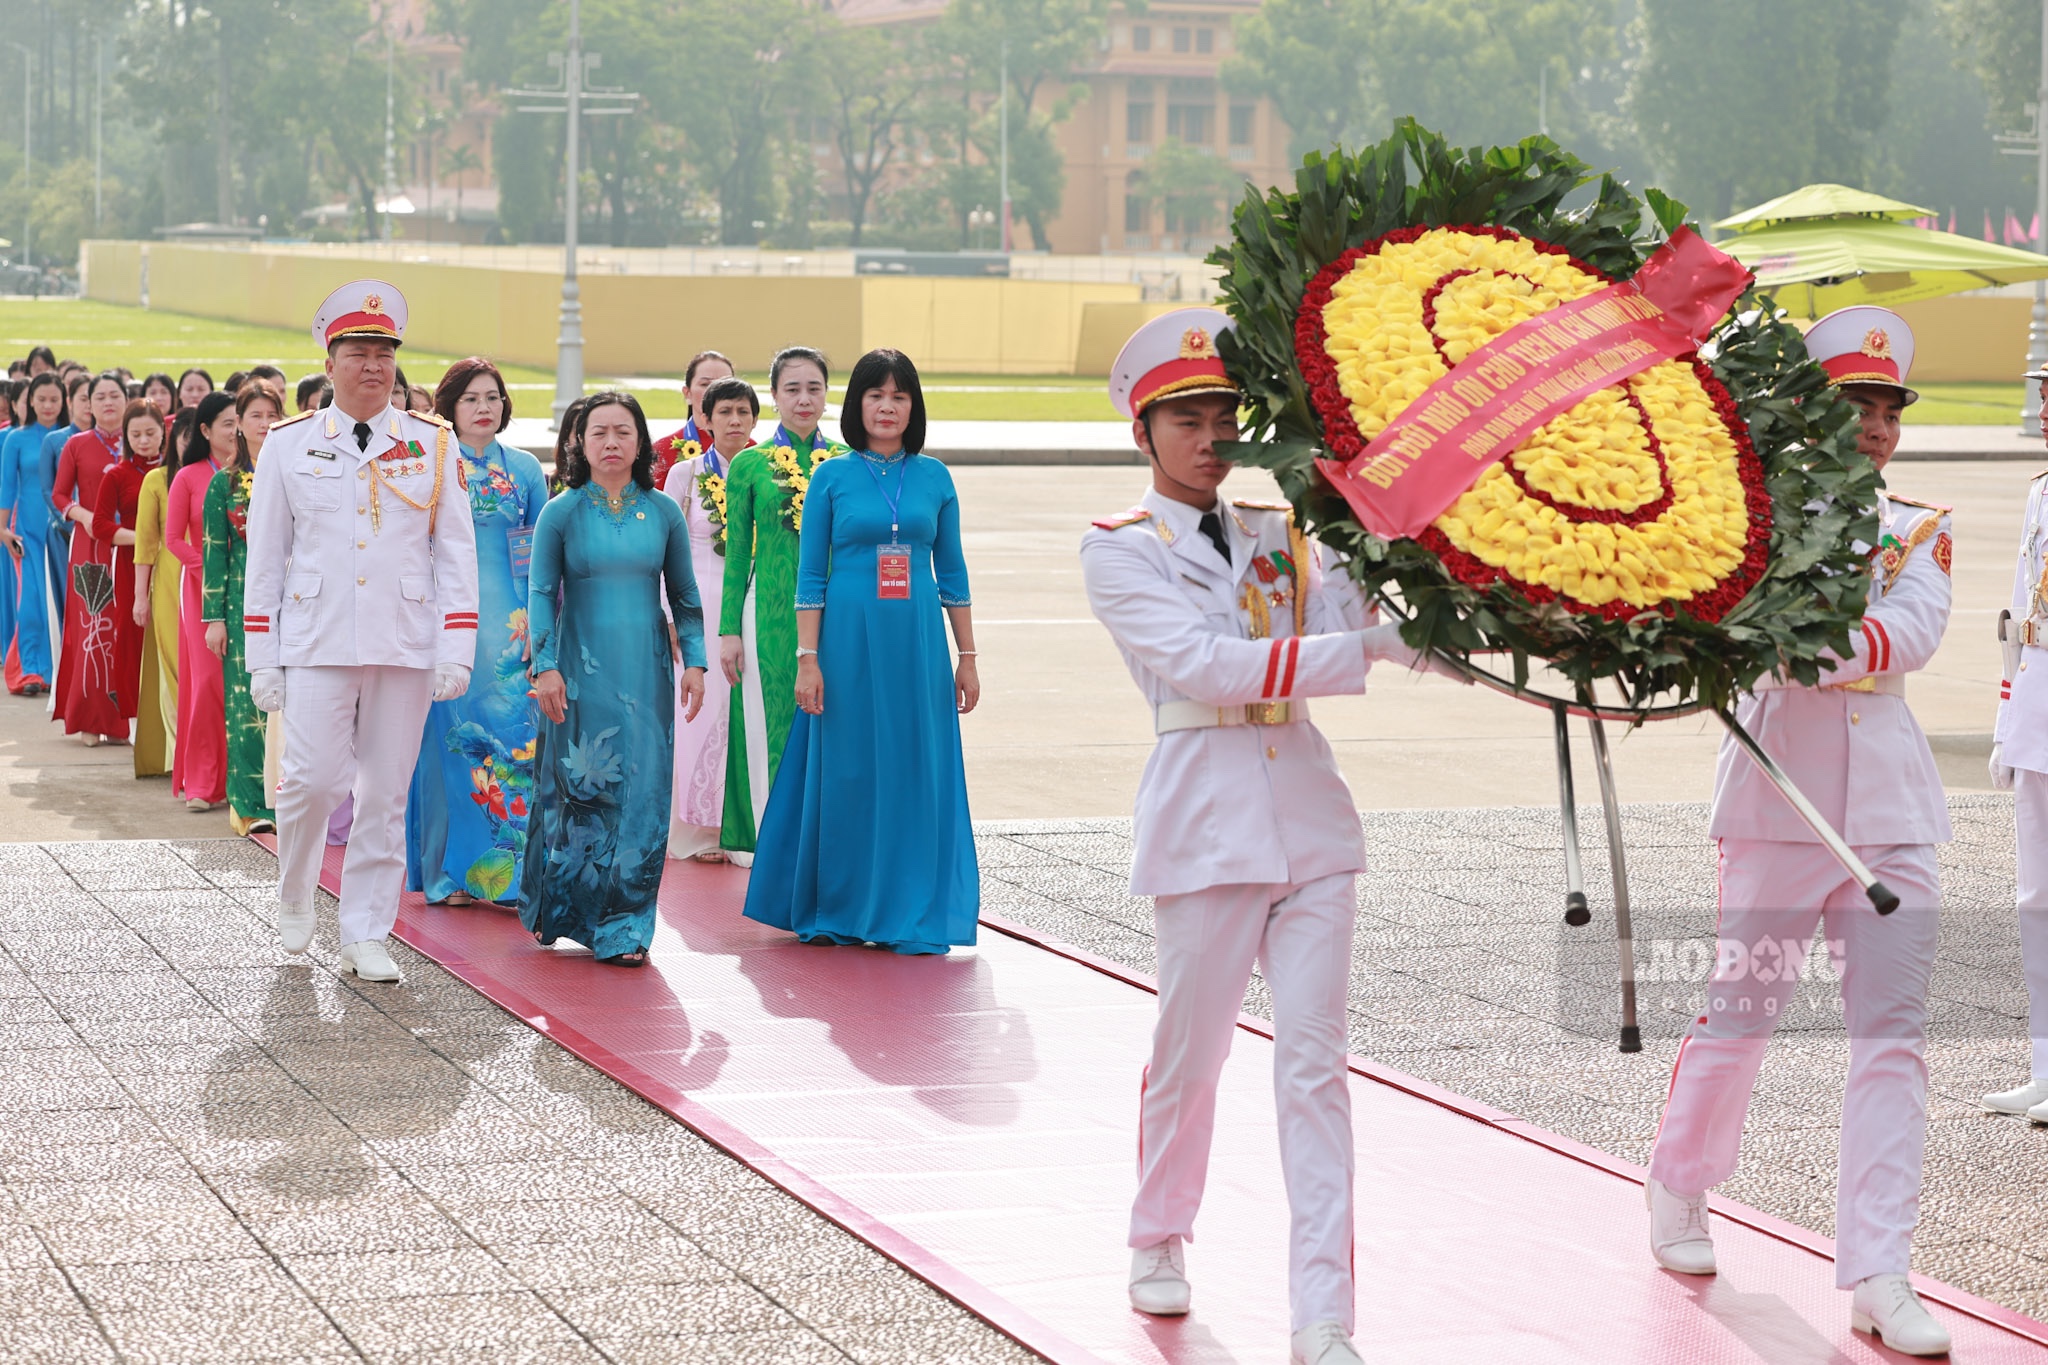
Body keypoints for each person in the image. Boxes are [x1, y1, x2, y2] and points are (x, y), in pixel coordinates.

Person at [1080, 309, 1439, 1365]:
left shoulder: (1278, 533)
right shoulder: (1116, 553)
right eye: (1184, 419)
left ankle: (1322, 1316)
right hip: (1204, 825)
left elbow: (1366, 624)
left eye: (1222, 417)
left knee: (1314, 1070)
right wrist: (1370, 646)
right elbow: (1209, 669)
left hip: (1311, 826)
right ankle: (1158, 1233)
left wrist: (1473, 625)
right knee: (1187, 1058)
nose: (1209, 438)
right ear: (1142, 434)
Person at [1645, 306, 1953, 1357]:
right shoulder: (1753, 524)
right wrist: (1801, 639)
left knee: (1891, 1043)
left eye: (1884, 410)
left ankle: (1878, 1269)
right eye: (1852, 407)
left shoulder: (1917, 527)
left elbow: (1906, 636)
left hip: (1889, 818)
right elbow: (1745, 641)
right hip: (1778, 804)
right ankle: (1679, 1182)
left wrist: (1805, 639)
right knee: (1739, 1018)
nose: (1872, 427)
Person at [246, 281, 478, 983]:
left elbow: (456, 553)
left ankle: (366, 929)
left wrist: (455, 647)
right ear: (331, 359)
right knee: (311, 781)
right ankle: (294, 891)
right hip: (316, 637)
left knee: (383, 793)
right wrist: (264, 654)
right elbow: (265, 558)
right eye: (358, 352)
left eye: (384, 353)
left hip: (404, 642)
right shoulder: (288, 447)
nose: (373, 365)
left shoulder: (432, 444)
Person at [742, 350, 979, 953]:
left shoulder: (935, 478)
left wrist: (968, 656)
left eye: (899, 396)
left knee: (912, 768)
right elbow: (811, 578)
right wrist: (807, 658)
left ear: (913, 406)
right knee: (847, 768)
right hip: (843, 644)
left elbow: (951, 572)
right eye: (876, 395)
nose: (887, 407)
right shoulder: (832, 476)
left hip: (918, 646)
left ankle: (909, 907)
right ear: (858, 405)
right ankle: (841, 904)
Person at [523, 392, 706, 965]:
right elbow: (540, 594)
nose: (610, 442)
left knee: (645, 792)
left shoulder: (664, 513)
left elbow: (684, 595)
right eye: (598, 431)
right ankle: (575, 912)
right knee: (583, 791)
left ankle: (627, 927)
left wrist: (695, 660)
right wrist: (545, 665)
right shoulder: (563, 511)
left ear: (640, 441)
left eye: (622, 432)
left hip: (647, 673)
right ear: (579, 441)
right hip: (580, 674)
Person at [406, 357, 548, 908]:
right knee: (451, 747)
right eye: (471, 398)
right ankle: (452, 874)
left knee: (518, 745)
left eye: (492, 397)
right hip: (450, 622)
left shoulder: (527, 470)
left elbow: (538, 551)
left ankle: (512, 877)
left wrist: (541, 621)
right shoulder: (431, 464)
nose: (484, 408)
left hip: (513, 628)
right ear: (449, 407)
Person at [718, 346, 847, 865]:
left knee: (831, 719)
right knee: (769, 722)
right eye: (792, 389)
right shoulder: (749, 464)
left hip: (836, 615)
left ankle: (830, 838)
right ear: (773, 397)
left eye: (814, 388)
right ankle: (773, 842)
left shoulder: (844, 462)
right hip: (766, 613)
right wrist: (729, 629)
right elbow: (734, 556)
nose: (804, 399)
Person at [1985, 361, 2048, 1126]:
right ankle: (2043, 1062)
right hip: (2039, 704)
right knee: (2037, 898)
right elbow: (2015, 619)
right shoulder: (2040, 490)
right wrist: (2007, 721)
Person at [660, 374, 755, 859]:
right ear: (705, 419)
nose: (734, 421)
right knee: (697, 714)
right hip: (697, 605)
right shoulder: (687, 474)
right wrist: (671, 617)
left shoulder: (769, 471)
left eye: (743, 412)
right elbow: (667, 552)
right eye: (724, 412)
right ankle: (700, 830)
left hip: (749, 608)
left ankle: (745, 826)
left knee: (743, 711)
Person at [203, 383, 284, 834]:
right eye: (255, 415)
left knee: (291, 705)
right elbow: (214, 551)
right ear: (238, 424)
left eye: (273, 413)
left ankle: (289, 798)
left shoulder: (297, 473)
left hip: (292, 603)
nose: (265, 423)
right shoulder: (225, 483)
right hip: (240, 605)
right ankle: (252, 806)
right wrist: (214, 617)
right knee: (245, 704)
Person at [50, 372, 137, 746]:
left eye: (114, 395)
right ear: (86, 404)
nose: (107, 402)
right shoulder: (76, 445)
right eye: (98, 396)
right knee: (92, 629)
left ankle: (121, 721)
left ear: (126, 399)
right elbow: (58, 496)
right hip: (90, 548)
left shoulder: (139, 442)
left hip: (132, 546)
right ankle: (89, 719)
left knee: (126, 629)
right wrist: (83, 516)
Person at [91, 400, 170, 778]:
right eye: (135, 434)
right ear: (125, 436)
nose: (143, 440)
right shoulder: (117, 474)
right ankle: (137, 723)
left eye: (150, 433)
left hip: (171, 565)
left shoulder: (175, 473)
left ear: (163, 432)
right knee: (132, 639)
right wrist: (143, 539)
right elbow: (102, 525)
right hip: (129, 567)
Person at [166, 394, 234, 812]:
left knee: (244, 687)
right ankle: (203, 782)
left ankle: (243, 782)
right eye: (226, 423)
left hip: (248, 589)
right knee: (208, 684)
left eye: (238, 422)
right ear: (205, 431)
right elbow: (174, 539)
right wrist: (211, 569)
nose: (235, 431)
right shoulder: (188, 477)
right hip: (200, 591)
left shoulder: (257, 473)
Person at [0, 372, 65, 695]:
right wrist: (2, 529)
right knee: (31, 605)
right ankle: (30, 671)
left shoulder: (70, 437)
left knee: (62, 604)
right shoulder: (16, 438)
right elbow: (7, 487)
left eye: (54, 399)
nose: (48, 405)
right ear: (29, 402)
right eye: (41, 399)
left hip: (64, 534)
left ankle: (58, 671)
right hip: (26, 533)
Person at [132, 411, 182, 780]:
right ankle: (179, 755)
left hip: (211, 579)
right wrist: (140, 597)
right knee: (173, 665)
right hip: (167, 580)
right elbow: (145, 545)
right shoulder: (156, 480)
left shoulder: (223, 478)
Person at [650, 349, 736, 489]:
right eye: (704, 384)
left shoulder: (750, 449)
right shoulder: (663, 451)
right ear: (687, 393)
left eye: (725, 384)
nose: (715, 391)